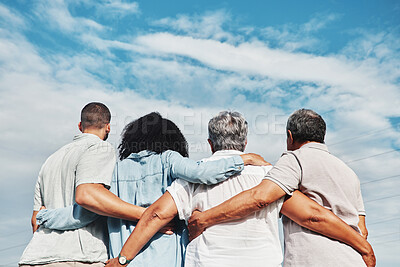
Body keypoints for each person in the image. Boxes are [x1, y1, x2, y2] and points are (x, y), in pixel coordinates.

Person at [104, 110, 375, 267]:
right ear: (245, 143)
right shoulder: (269, 176)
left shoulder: (192, 179)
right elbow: (310, 215)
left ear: (210, 144)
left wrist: (122, 258)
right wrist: (360, 244)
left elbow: (155, 215)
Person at [33, 112, 266, 266]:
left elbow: (84, 213)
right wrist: (243, 160)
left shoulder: (114, 170)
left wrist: (44, 215)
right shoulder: (169, 160)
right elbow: (202, 173)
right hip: (168, 259)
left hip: (124, 258)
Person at [187, 109, 376, 267]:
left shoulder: (295, 159)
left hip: (315, 259)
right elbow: (362, 229)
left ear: (290, 136)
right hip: (353, 259)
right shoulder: (350, 173)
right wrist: (363, 247)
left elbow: (260, 198)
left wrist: (205, 218)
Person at [19, 102, 117, 266]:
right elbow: (92, 201)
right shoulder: (101, 148)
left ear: (80, 126)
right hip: (78, 256)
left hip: (36, 256)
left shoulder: (50, 160)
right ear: (108, 127)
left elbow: (35, 220)